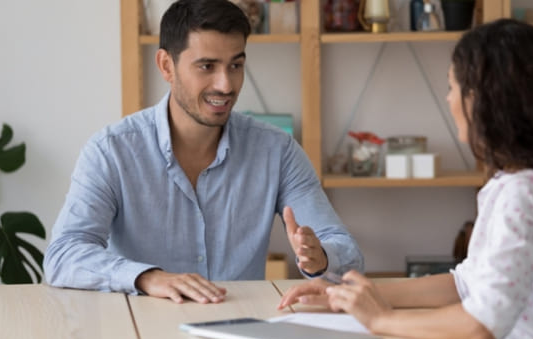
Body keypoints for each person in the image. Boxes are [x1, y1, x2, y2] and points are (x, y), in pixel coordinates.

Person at [278, 19, 533, 339]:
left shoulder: (526, 192)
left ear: (483, 100)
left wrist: (381, 318)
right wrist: (351, 296)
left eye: (452, 86)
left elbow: (480, 327)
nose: (448, 100)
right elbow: (467, 283)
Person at [44, 0, 363, 304]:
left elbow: (347, 252)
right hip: (141, 334)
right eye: (207, 66)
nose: (225, 84)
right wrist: (148, 278)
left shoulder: (277, 152)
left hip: (241, 331)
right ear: (166, 66)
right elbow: (64, 255)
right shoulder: (111, 151)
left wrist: (321, 257)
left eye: (235, 65)